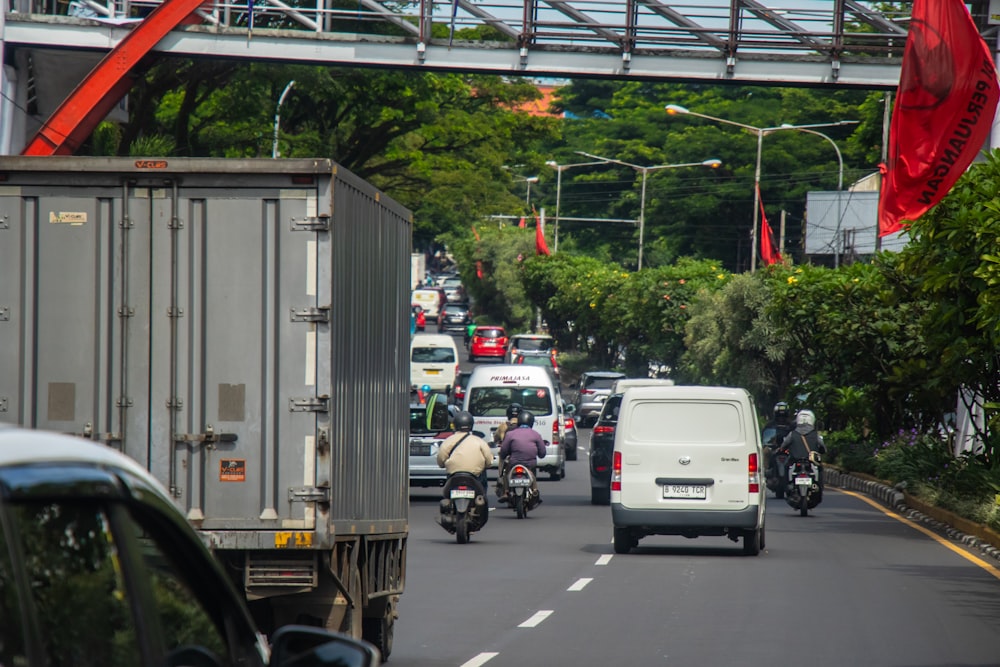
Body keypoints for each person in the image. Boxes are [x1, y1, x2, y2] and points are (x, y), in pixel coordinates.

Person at [436, 411, 494, 495]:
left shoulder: (448, 441)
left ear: (455, 425)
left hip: (453, 476)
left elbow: (441, 460)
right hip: (475, 476)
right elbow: (489, 461)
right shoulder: (479, 441)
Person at [497, 410, 546, 505]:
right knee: (532, 473)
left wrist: (504, 456)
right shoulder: (536, 434)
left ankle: (506, 491)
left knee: (506, 473)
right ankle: (534, 490)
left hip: (514, 463)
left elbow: (503, 451)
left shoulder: (510, 434)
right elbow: (542, 453)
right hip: (530, 464)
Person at [780, 409, 827, 489]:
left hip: (794, 460)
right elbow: (822, 447)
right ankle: (820, 487)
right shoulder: (815, 435)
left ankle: (785, 487)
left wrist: (782, 449)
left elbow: (784, 445)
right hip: (811, 461)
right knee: (820, 467)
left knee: (786, 466)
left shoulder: (792, 434)